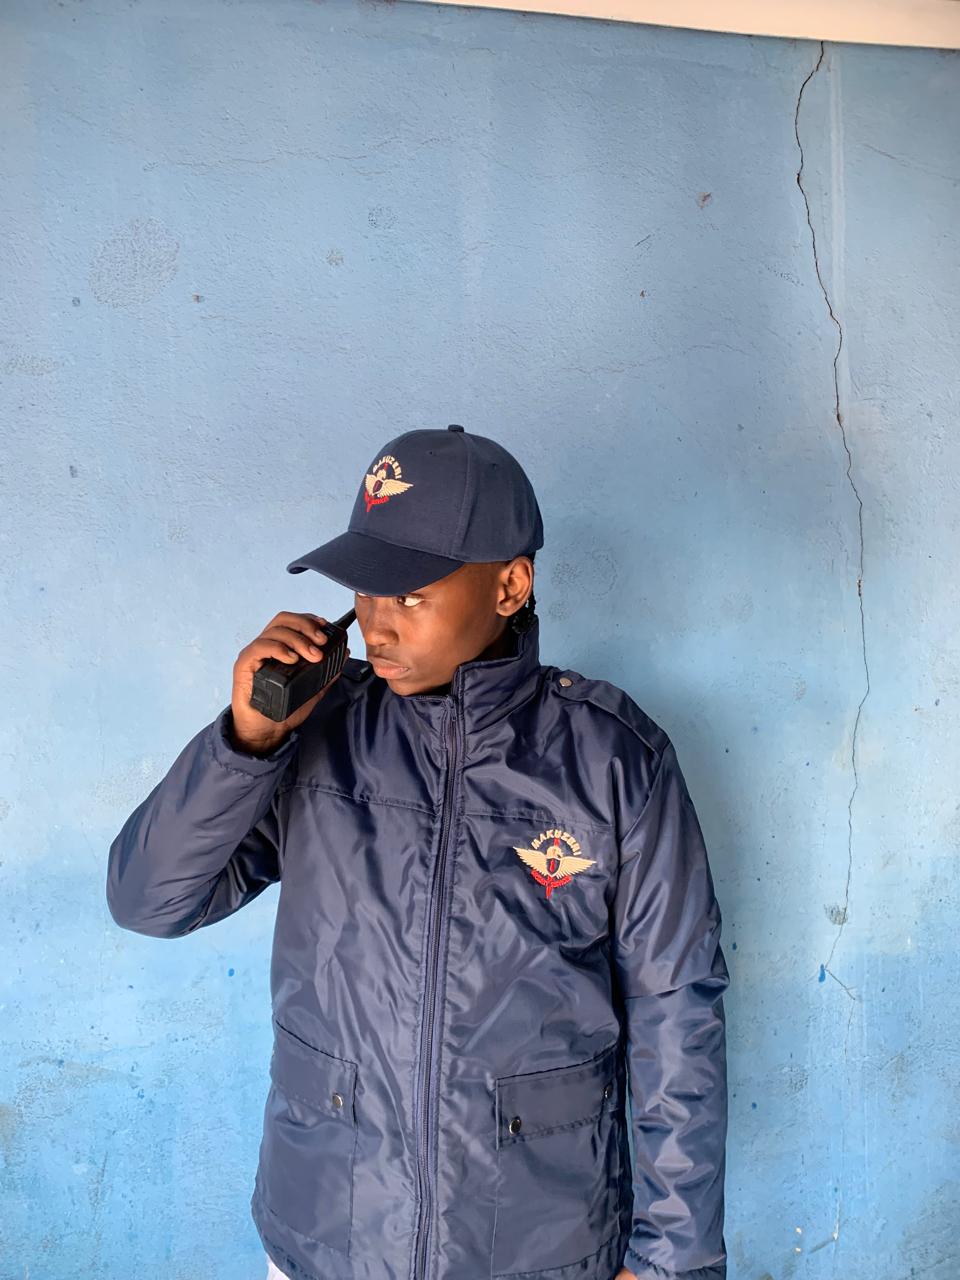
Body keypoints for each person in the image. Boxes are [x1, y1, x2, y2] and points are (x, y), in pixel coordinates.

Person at [106, 424, 730, 1280]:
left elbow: (677, 1011)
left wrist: (672, 1258)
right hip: (329, 1235)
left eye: (408, 596)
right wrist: (247, 740)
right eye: (364, 592)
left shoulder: (612, 759)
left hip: (537, 1246)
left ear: (509, 585)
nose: (376, 626)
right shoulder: (317, 732)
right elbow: (149, 901)